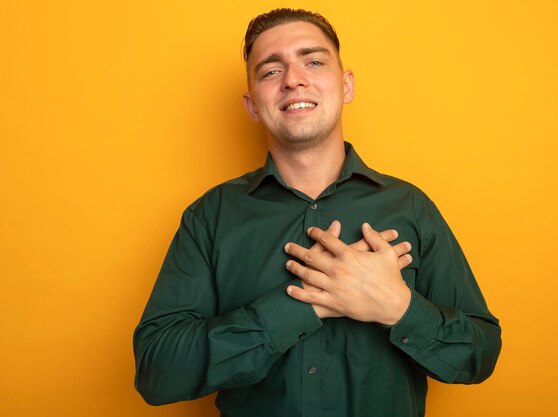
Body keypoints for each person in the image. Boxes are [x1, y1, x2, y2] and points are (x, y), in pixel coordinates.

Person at [133, 8, 501, 417]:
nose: (293, 79)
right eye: (271, 71)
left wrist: (397, 308)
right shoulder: (211, 216)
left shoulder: (410, 207)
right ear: (252, 104)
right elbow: (157, 370)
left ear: (346, 86)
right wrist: (303, 305)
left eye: (313, 61)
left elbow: (480, 355)